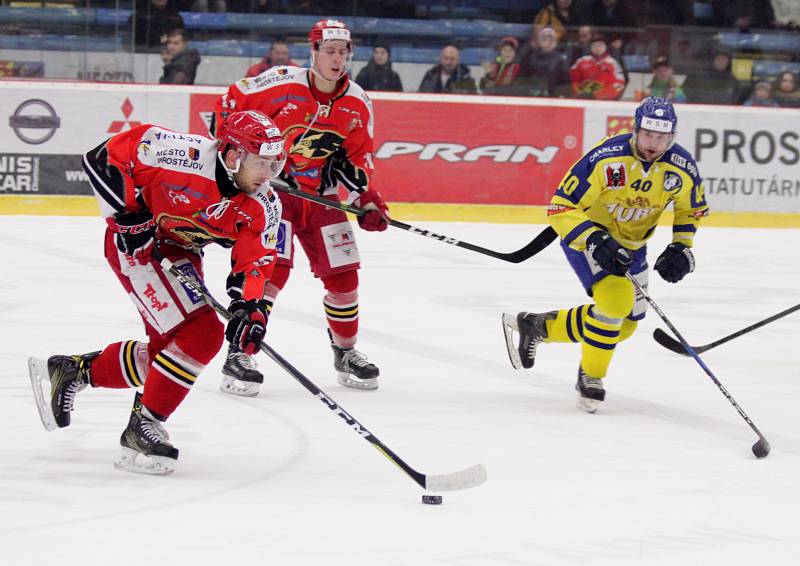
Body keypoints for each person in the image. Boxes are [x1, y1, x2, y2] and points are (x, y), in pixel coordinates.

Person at [28, 110, 287, 474]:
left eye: (275, 164)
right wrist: (129, 215)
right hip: (137, 250)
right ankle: (143, 424)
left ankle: (75, 371)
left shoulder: (263, 204)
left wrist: (250, 306)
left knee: (171, 355)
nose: (267, 175)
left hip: (179, 253)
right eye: (261, 163)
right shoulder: (178, 154)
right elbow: (101, 159)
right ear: (232, 155)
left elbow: (256, 259)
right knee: (202, 335)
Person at [213, 19, 389, 397]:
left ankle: (345, 352)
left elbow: (359, 157)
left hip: (321, 196)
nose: (337, 59)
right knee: (272, 271)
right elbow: (229, 104)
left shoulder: (358, 102)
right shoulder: (277, 82)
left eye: (343, 52)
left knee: (344, 278)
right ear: (313, 53)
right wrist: (233, 163)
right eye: (329, 51)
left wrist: (365, 198)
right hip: (273, 192)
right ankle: (239, 351)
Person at [502, 97, 709, 413]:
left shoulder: (681, 167)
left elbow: (689, 210)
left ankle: (539, 327)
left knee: (624, 326)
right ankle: (592, 377)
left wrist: (681, 246)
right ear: (635, 130)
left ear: (672, 136)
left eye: (662, 137)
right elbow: (560, 206)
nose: (654, 143)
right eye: (648, 134)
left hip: (634, 248)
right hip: (590, 239)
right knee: (614, 305)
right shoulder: (606, 158)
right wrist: (595, 239)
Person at [569, 33, 626, 100]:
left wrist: (597, 95)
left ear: (606, 46)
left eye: (600, 45)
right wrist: (579, 93)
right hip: (582, 100)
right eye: (594, 45)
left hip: (604, 102)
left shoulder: (613, 63)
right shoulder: (581, 61)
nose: (597, 48)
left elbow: (618, 85)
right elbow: (572, 81)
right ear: (590, 47)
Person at [518, 27, 571, 97]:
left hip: (554, 97)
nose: (548, 42)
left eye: (551, 40)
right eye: (544, 39)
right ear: (539, 41)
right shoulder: (530, 58)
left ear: (556, 42)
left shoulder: (561, 59)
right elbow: (522, 80)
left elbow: (566, 84)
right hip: (532, 96)